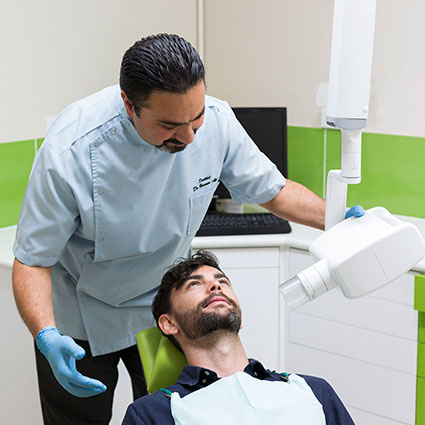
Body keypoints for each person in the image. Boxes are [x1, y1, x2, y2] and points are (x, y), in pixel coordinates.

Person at [12, 33, 362, 425]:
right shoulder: (69, 150)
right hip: (80, 313)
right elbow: (32, 260)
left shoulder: (218, 120)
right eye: (170, 125)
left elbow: (274, 192)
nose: (190, 136)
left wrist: (339, 219)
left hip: (161, 304)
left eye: (196, 119)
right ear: (130, 105)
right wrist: (46, 334)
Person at [122, 250, 355, 425]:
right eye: (194, 284)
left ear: (239, 319)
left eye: (222, 282)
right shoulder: (152, 414)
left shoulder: (313, 390)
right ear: (169, 324)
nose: (215, 286)